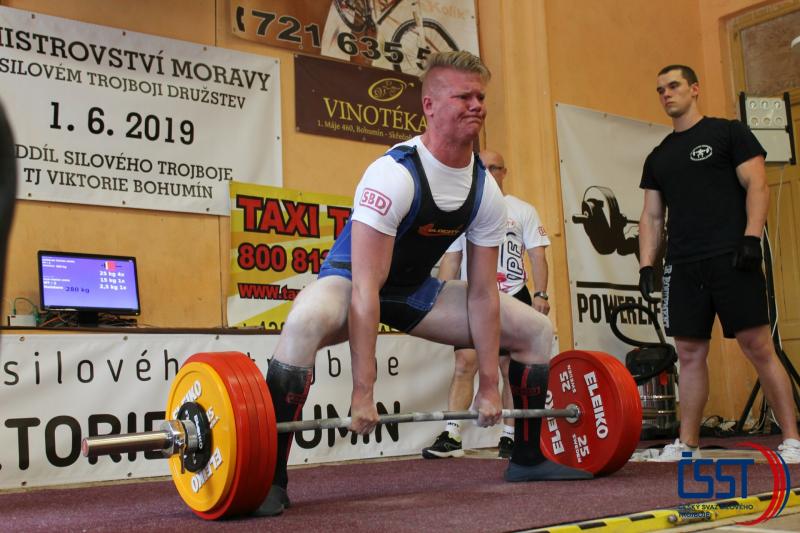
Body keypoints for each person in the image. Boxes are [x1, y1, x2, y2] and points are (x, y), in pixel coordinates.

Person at [256, 51, 591, 517]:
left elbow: (482, 293)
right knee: (305, 322)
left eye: (480, 97)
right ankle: (270, 478)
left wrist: (488, 385)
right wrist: (362, 392)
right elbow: (366, 290)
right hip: (351, 282)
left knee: (536, 330)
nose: (476, 105)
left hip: (414, 291)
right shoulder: (393, 174)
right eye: (463, 96)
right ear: (429, 106)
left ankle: (529, 458)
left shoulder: (485, 191)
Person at [638, 64, 800, 462]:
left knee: (757, 345)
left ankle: (793, 440)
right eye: (659, 90)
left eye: (674, 86)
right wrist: (646, 265)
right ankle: (688, 445)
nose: (666, 94)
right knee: (689, 352)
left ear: (694, 88)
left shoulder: (728, 133)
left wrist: (751, 237)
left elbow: (757, 184)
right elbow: (652, 217)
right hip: (683, 264)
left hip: (732, 255)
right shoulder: (659, 156)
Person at [421, 149, 551, 459]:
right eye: (484, 167)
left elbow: (537, 255)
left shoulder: (523, 210)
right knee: (465, 363)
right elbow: (452, 259)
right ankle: (452, 435)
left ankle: (509, 437)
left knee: (508, 369)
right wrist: (439, 297)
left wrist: (541, 294)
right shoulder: (464, 212)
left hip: (512, 295)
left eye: (495, 167)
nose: (490, 172)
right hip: (472, 297)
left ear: (504, 172)